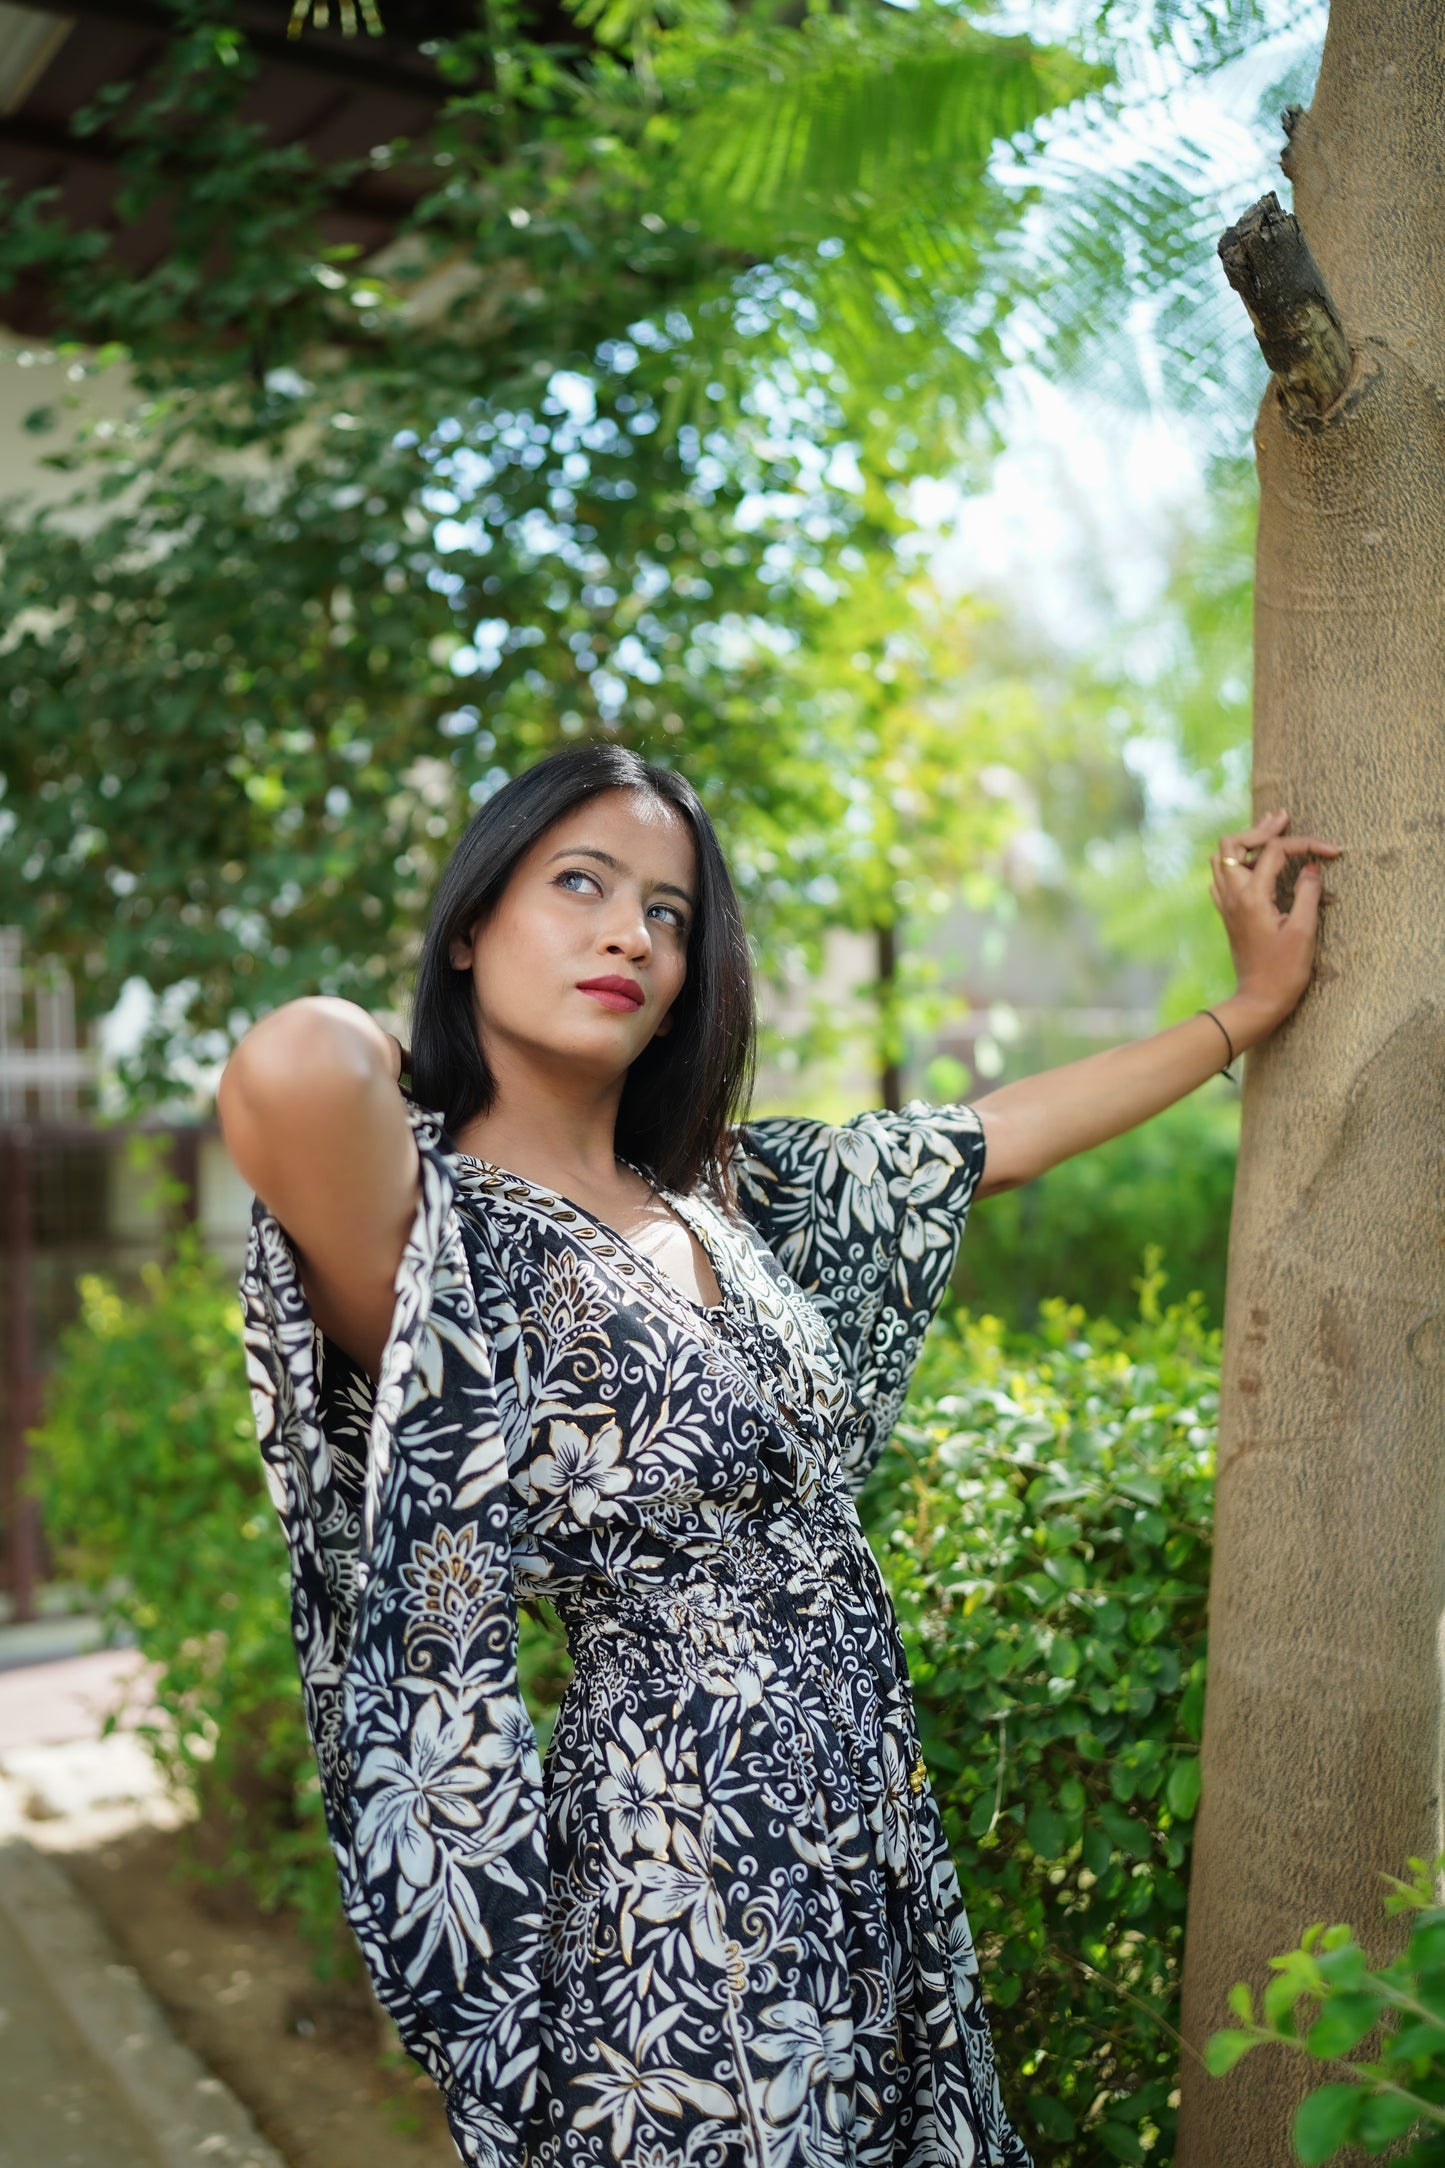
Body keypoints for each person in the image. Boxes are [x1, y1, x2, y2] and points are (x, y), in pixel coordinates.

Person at [220, 742, 1338, 2168]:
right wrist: (434, 1033)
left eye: (669, 913)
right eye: (578, 885)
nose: (631, 932)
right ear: (469, 922)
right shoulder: (432, 1233)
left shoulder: (724, 1196)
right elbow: (292, 1062)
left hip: (864, 1822)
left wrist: (1245, 1009)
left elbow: (984, 1141)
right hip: (671, 1856)